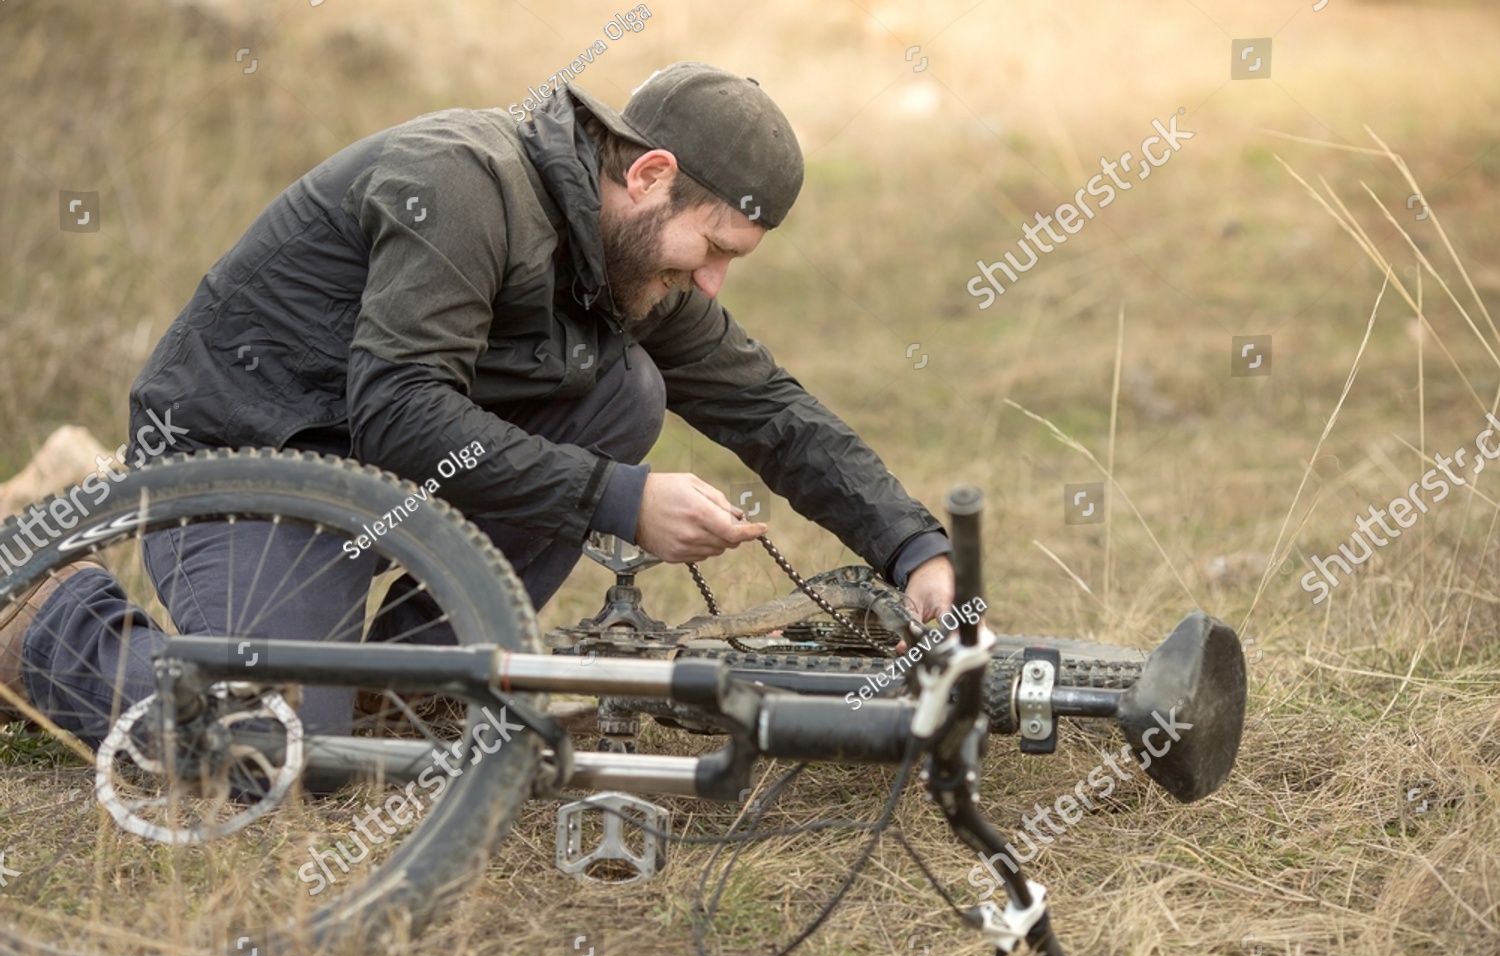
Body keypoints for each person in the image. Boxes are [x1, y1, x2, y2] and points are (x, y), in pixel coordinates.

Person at [0, 62, 954, 739]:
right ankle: (39, 613)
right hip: (252, 461)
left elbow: (770, 408)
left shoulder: (624, 261)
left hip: (379, 478)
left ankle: (412, 690)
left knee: (627, 390)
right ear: (650, 175)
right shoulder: (460, 183)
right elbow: (401, 408)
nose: (711, 284)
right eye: (713, 251)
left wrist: (915, 550)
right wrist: (620, 500)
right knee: (268, 746)